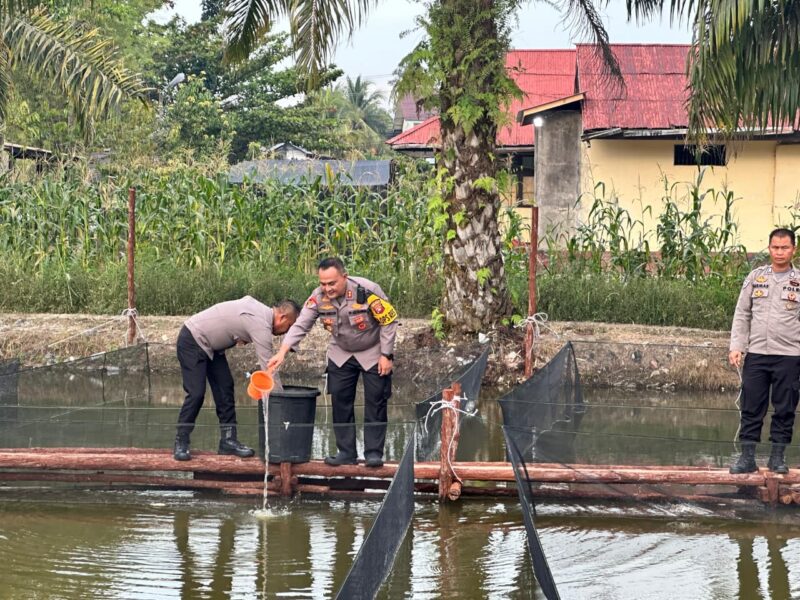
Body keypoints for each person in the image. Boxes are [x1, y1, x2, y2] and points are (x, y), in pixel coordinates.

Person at [268, 257, 397, 468]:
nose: (327, 288)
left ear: (344, 277)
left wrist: (386, 354)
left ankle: (374, 453)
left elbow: (389, 321)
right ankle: (346, 452)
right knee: (340, 400)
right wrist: (282, 351)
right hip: (341, 352)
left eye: (332, 283)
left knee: (376, 401)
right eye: (323, 283)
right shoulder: (318, 298)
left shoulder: (367, 291)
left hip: (373, 351)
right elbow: (301, 324)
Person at [173, 297, 301, 461]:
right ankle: (181, 442)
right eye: (288, 327)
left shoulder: (260, 314)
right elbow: (270, 370)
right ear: (282, 317)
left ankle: (228, 441)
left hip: (212, 347)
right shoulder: (260, 324)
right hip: (192, 339)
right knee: (196, 393)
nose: (286, 332)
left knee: (225, 387)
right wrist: (282, 406)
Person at [729, 227, 800, 474]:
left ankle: (777, 458)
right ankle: (747, 458)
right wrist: (737, 346)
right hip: (757, 354)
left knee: (785, 408)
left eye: (785, 248)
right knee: (751, 406)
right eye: (775, 247)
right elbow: (742, 313)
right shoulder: (755, 277)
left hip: (790, 356)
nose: (779, 252)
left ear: (794, 249)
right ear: (769, 248)